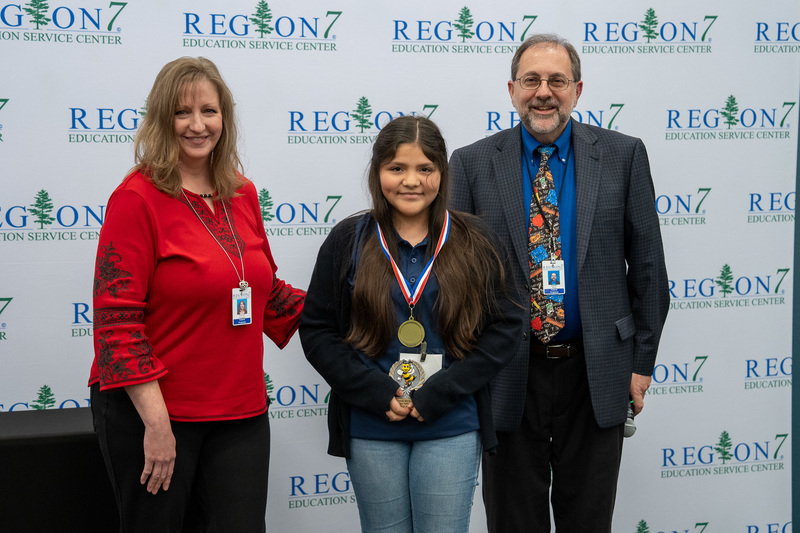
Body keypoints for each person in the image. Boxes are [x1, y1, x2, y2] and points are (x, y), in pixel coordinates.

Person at [449, 34, 669, 532]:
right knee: (513, 521)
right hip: (507, 372)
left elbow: (650, 271)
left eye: (556, 80)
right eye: (531, 80)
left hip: (597, 371)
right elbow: (458, 281)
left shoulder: (623, 156)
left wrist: (641, 363)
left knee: (588, 521)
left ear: (577, 89)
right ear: (511, 90)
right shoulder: (472, 163)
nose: (543, 92)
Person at [88, 56, 305, 533]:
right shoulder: (137, 198)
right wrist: (158, 426)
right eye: (182, 112)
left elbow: (266, 294)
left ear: (224, 118)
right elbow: (115, 327)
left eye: (209, 111)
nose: (197, 125)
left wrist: (359, 303)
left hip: (241, 411)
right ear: (162, 120)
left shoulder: (241, 193)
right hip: (156, 413)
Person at [299, 116, 522, 533]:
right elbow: (317, 330)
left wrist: (442, 391)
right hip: (371, 423)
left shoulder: (476, 239)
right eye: (396, 168)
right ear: (377, 172)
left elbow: (506, 326)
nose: (411, 181)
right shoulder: (348, 239)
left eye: (425, 169)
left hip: (450, 421)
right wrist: (376, 392)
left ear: (442, 174)